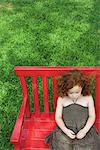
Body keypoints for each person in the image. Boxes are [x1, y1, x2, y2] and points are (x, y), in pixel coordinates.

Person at [45, 69, 100, 150]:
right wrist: (65, 130)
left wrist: (84, 130)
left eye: (77, 92)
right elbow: (58, 117)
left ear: (82, 87)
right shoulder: (62, 98)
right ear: (65, 89)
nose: (74, 95)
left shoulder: (88, 97)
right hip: (66, 128)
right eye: (71, 93)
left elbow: (92, 116)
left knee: (88, 145)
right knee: (63, 145)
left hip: (84, 128)